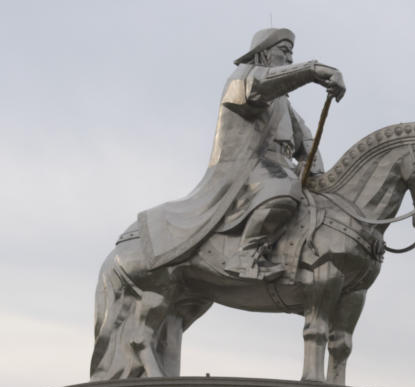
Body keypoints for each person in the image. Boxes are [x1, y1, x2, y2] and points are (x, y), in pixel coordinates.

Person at [137, 27, 346, 280]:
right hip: (250, 167)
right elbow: (265, 84)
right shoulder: (243, 79)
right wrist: (313, 70)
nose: (289, 59)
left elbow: (306, 141)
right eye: (284, 51)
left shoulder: (284, 104)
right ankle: (246, 256)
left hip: (281, 168)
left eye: (292, 54)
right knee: (285, 191)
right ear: (263, 53)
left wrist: (316, 172)